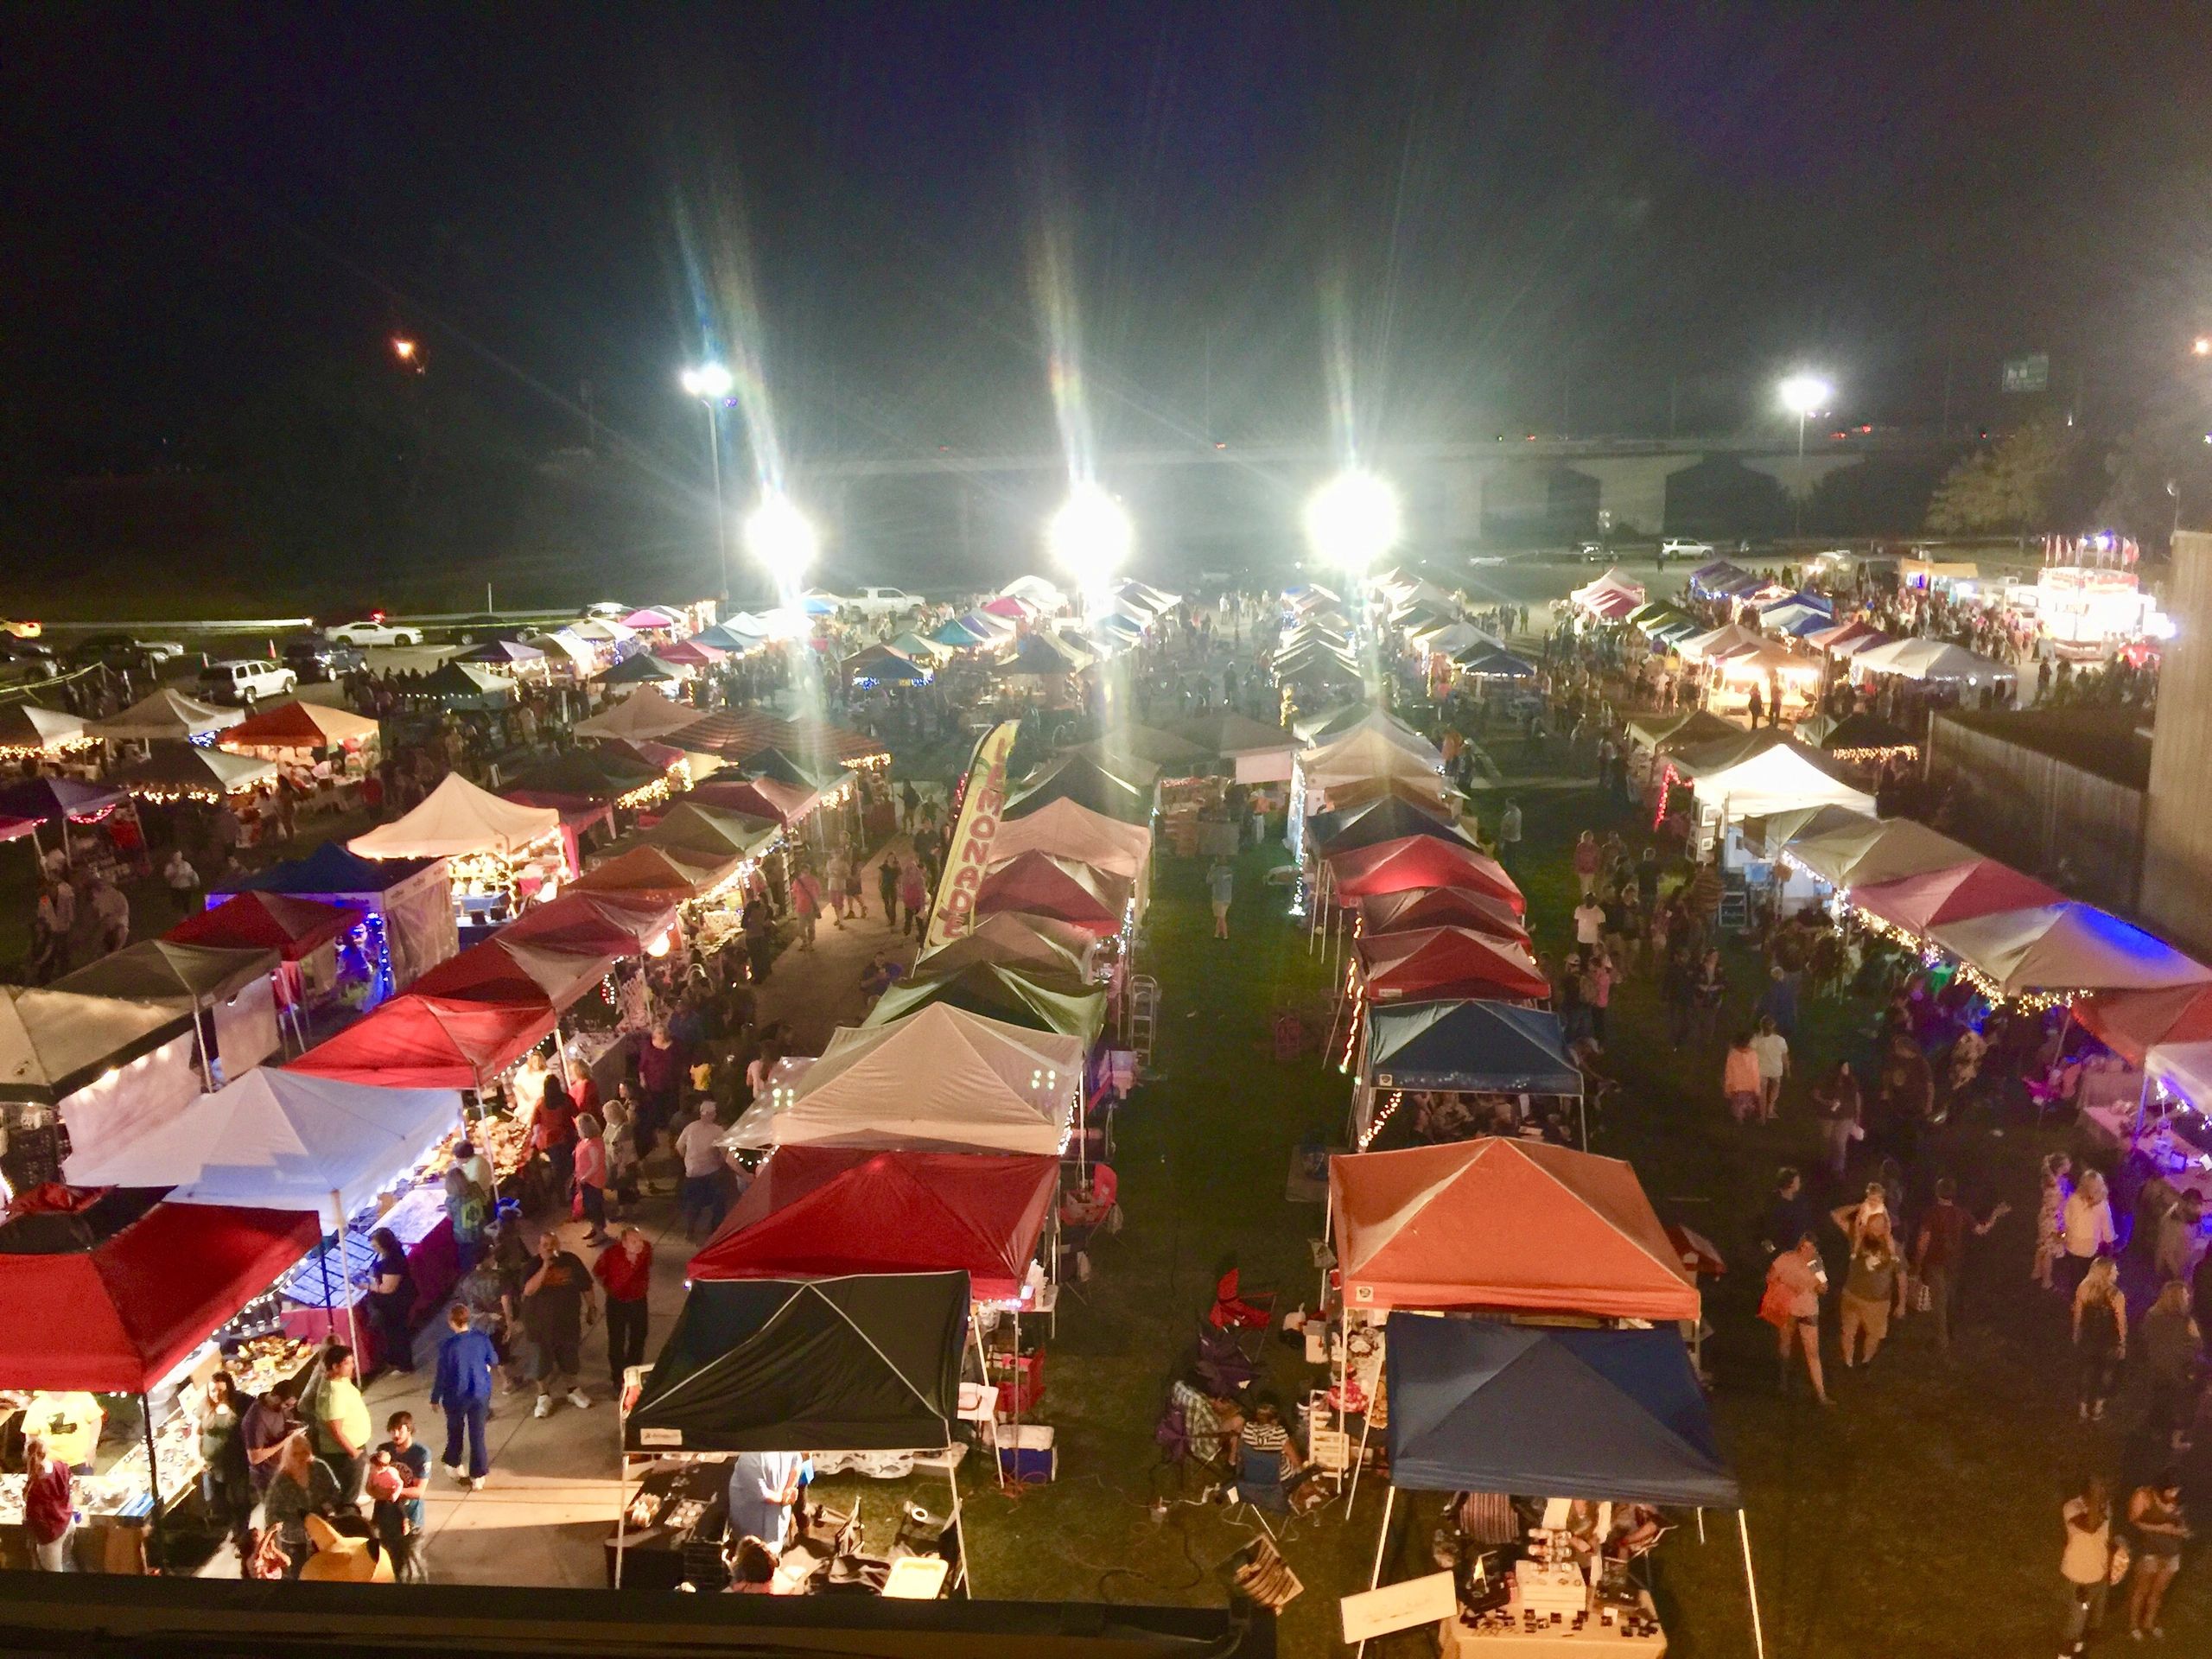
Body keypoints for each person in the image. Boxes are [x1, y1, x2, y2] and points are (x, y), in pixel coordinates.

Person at [1913, 1177, 2007, 1355]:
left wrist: (1917, 1264)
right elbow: (1981, 1230)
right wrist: (1995, 1215)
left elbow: (1923, 1242)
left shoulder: (1931, 1213)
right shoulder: (1961, 1213)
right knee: (1949, 1298)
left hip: (1936, 1262)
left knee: (1939, 1302)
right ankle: (1950, 1333)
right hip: (1954, 1262)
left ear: (1937, 1192)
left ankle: (1941, 1342)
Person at [522, 1230, 597, 1416]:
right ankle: (544, 1396)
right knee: (541, 1364)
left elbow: (586, 1285)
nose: (550, 1248)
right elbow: (529, 1291)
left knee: (569, 1360)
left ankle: (573, 1391)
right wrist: (545, 1266)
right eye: (545, 1245)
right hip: (539, 1327)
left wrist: (591, 1307)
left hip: (567, 1323)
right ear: (539, 1248)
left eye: (553, 1244)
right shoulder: (532, 1265)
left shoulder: (571, 1261)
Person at [430, 1303, 497, 1488]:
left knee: (455, 1431)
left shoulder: (448, 1346)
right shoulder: (481, 1338)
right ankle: (478, 1476)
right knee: (477, 1435)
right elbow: (494, 1360)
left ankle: (453, 1462)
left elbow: (442, 1375)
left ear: (452, 1322)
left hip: (455, 1396)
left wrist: (435, 1398)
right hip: (479, 1393)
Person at [264, 1430, 342, 1580]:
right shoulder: (280, 1481)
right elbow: (271, 1515)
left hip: (323, 1531)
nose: (301, 1457)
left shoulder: (319, 1467)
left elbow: (335, 1490)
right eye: (295, 1454)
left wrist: (328, 1507)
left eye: (304, 1452)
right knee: (300, 1576)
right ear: (288, 1456)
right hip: (295, 1540)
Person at [1765, 1233, 1832, 1405]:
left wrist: (1821, 1286)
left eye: (1810, 1248)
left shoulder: (1816, 1263)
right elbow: (1770, 1278)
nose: (1806, 1251)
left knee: (1812, 1352)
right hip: (1788, 1309)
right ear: (1799, 1246)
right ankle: (1783, 1381)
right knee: (1785, 1344)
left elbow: (1824, 1287)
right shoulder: (1786, 1259)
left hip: (1809, 1310)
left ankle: (1821, 1394)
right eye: (1803, 1247)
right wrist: (1787, 1285)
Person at [2141, 1280, 2202, 1453]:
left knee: (2159, 1400)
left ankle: (2156, 1432)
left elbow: (2145, 1336)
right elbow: (2198, 1345)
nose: (2188, 1296)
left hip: (2157, 1367)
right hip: (2179, 1370)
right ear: (2177, 1298)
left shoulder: (2151, 1315)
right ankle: (2175, 1441)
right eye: (2185, 1294)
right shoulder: (2186, 1321)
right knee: (2179, 1405)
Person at [1837, 1213, 1906, 1368]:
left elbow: (1901, 1275)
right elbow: (1837, 1216)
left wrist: (1901, 1304)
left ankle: (1865, 1362)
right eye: (1872, 1225)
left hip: (1878, 1302)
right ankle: (1847, 1363)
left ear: (1886, 1228)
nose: (1875, 1229)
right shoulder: (1858, 1240)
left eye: (1880, 1225)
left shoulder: (1894, 1247)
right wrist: (1861, 1206)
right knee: (1848, 1332)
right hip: (1852, 1296)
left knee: (1874, 1335)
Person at [2126, 1471, 2189, 1640]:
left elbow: (2179, 1522)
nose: (2174, 1494)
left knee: (2158, 1591)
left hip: (2171, 1552)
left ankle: (2149, 1623)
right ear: (2161, 1487)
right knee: (2142, 1590)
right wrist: (2160, 1528)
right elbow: (2134, 1522)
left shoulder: (2176, 1500)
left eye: (2177, 1490)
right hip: (2150, 1551)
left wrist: (2182, 1530)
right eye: (2171, 1490)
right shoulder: (2144, 1496)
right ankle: (2133, 1625)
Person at [198, 1370, 254, 1558]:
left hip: (236, 1463)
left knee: (240, 1501)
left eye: (221, 1391)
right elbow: (196, 1433)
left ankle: (242, 1536)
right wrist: (198, 1457)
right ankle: (233, 1528)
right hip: (212, 1466)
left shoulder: (240, 1404)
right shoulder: (205, 1407)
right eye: (213, 1391)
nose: (217, 1395)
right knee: (216, 1502)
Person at [372, 1412, 430, 1583]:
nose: (395, 1434)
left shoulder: (421, 1454)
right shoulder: (384, 1451)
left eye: (399, 1429)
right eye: (392, 1430)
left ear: (409, 1429)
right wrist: (378, 1491)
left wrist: (392, 1492)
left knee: (414, 1562)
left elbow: (419, 1491)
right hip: (386, 1517)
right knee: (391, 1562)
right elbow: (372, 1486)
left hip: (411, 1517)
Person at [2059, 1474, 2113, 1656]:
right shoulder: (2072, 1508)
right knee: (2076, 1620)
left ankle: (2079, 1648)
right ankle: (2065, 1654)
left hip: (2100, 1575)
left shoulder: (2105, 1507)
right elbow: (2090, 1527)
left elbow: (2102, 1538)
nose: (2104, 1494)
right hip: (2079, 1577)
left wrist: (2109, 1566)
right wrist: (2097, 1502)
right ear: (2087, 1493)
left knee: (2093, 1618)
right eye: (2099, 1491)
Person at [596, 1226, 653, 1395]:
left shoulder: (646, 1250)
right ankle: (617, 1378)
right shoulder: (611, 1255)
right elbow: (598, 1272)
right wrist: (610, 1289)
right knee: (617, 1340)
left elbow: (648, 1266)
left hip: (638, 1300)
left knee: (639, 1335)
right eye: (634, 1241)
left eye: (640, 1240)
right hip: (617, 1302)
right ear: (624, 1243)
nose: (639, 1244)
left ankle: (632, 1373)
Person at [314, 1344, 372, 1504]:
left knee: (351, 1487)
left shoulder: (337, 1380)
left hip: (352, 1447)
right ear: (335, 1366)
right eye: (348, 1363)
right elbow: (336, 1430)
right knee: (348, 1493)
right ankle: (348, 1520)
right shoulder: (334, 1393)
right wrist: (353, 1452)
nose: (353, 1366)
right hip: (345, 1453)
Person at [2071, 1255, 2127, 1422]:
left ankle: (2082, 1411)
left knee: (2085, 1372)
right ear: (2106, 1272)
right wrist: (2123, 1343)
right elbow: (2121, 1322)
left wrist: (2076, 1334)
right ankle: (2097, 1409)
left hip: (2088, 1337)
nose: (2117, 1273)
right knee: (2106, 1374)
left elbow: (2078, 1315)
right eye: (2114, 1270)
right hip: (2109, 1341)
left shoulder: (2083, 1288)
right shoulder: (2116, 1295)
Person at [359, 1228, 416, 1375]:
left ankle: (404, 1365)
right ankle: (395, 1359)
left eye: (376, 1246)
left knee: (398, 1333)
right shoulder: (384, 1255)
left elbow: (388, 1288)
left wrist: (365, 1285)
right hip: (388, 1303)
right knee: (391, 1333)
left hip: (396, 1303)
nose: (374, 1249)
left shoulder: (393, 1261)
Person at [726, 1450, 804, 1550]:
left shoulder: (749, 1456)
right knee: (756, 1555)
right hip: (755, 1528)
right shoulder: (784, 1443)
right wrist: (785, 1496)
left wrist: (788, 1491)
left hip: (762, 1526)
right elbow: (761, 1493)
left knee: (757, 1556)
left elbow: (796, 1462)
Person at [676, 1101, 731, 1240]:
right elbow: (724, 1153)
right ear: (713, 1114)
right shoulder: (717, 1131)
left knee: (693, 1204)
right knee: (718, 1202)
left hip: (692, 1172)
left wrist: (688, 1160)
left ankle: (690, 1230)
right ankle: (716, 1231)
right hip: (711, 1172)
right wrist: (720, 1163)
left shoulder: (690, 1128)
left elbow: (679, 1146)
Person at [241, 1376, 302, 1497]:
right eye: (287, 1405)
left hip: (285, 1465)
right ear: (275, 1396)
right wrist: (287, 1440)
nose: (288, 1409)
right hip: (269, 1475)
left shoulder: (278, 1407)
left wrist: (294, 1428)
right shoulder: (255, 1420)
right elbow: (255, 1457)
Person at [2060, 1171, 2117, 1300]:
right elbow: (2107, 1227)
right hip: (2089, 1247)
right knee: (2087, 1272)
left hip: (2072, 1243)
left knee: (2074, 1272)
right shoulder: (2102, 1205)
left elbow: (2066, 1217)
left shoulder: (2074, 1199)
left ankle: (2074, 1296)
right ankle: (2087, 1296)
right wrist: (2109, 1240)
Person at [22, 1433, 73, 1571]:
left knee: (53, 1575)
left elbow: (34, 1515)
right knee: (66, 1561)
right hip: (68, 1521)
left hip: (52, 1534)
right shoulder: (60, 1466)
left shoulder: (37, 1484)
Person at [1812, 1061, 1862, 1180]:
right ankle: (1824, 1164)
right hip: (1827, 1116)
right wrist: (1828, 1102)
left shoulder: (1851, 1082)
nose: (1846, 1069)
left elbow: (1857, 1098)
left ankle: (1838, 1170)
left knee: (1840, 1143)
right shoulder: (1827, 1079)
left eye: (1847, 1066)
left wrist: (1857, 1116)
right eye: (1843, 1066)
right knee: (1826, 1140)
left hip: (1845, 1116)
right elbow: (1815, 1094)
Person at [2034, 1153, 2074, 1290]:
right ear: (2061, 1167)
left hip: (2044, 1218)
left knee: (2043, 1245)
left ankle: (2036, 1271)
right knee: (2049, 1252)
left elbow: (2046, 1162)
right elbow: (2061, 1205)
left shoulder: (2049, 1178)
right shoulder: (2056, 1186)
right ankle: (2046, 1281)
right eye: (2068, 1163)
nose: (2070, 1165)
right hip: (2054, 1222)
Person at [572, 1113, 610, 1245]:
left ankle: (601, 1232)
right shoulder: (585, 1141)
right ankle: (594, 1227)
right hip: (585, 1180)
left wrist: (584, 1177)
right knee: (588, 1206)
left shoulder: (594, 1144)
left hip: (593, 1181)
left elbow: (595, 1165)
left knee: (595, 1207)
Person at [443, 1166, 488, 1273]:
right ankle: (482, 1266)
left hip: (464, 1235)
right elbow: (484, 1201)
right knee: (481, 1250)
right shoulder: (475, 1187)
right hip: (480, 1226)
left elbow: (450, 1217)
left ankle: (470, 1275)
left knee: (467, 1260)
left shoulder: (451, 1200)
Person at [1749, 1015, 1789, 1122]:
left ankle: (1762, 1117)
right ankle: (1770, 1109)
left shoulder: (1756, 1039)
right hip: (1776, 1070)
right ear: (1774, 1026)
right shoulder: (1780, 1040)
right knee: (1775, 1090)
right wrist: (1788, 1070)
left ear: (1761, 1026)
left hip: (1761, 1070)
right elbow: (1784, 1057)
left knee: (1762, 1093)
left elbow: (1750, 1055)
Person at [1724, 1033, 1763, 1124]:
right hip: (1750, 1085)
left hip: (1736, 1086)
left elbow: (1729, 1072)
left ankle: (1739, 1118)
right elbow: (1755, 1072)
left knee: (1738, 1104)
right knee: (1747, 1102)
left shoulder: (1733, 1055)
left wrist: (1728, 1087)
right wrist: (1757, 1087)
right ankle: (1747, 1113)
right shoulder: (1753, 1054)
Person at [162, 847, 200, 917]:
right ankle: (179, 920)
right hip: (175, 888)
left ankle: (185, 920)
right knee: (177, 907)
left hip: (185, 888)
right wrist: (176, 873)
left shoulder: (186, 865)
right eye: (175, 856)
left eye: (178, 856)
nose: (177, 858)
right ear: (172, 857)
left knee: (186, 906)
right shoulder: (169, 866)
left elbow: (191, 874)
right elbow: (167, 878)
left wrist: (190, 875)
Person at [1207, 857, 1234, 939]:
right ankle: (1217, 934)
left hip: (1219, 897)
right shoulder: (1230, 872)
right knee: (1221, 917)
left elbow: (1209, 881)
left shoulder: (1216, 872)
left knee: (1221, 918)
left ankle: (1225, 935)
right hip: (1227, 897)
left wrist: (1211, 871)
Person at [1572, 830, 1600, 898]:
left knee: (1591, 884)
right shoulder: (1580, 846)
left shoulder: (1595, 847)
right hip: (1582, 868)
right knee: (1584, 884)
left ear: (1592, 838)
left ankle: (1592, 898)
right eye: (1586, 837)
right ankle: (1585, 899)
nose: (1587, 839)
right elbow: (1576, 857)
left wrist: (1597, 867)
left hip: (1591, 868)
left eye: (1589, 837)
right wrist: (1576, 867)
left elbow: (1598, 858)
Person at [1497, 799, 1522, 864]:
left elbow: (1508, 828)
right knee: (1509, 854)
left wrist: (1502, 837)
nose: (1507, 806)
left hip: (1510, 839)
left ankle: (1509, 867)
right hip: (1511, 838)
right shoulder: (1514, 811)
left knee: (1508, 855)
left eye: (1508, 805)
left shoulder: (1515, 816)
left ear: (1512, 805)